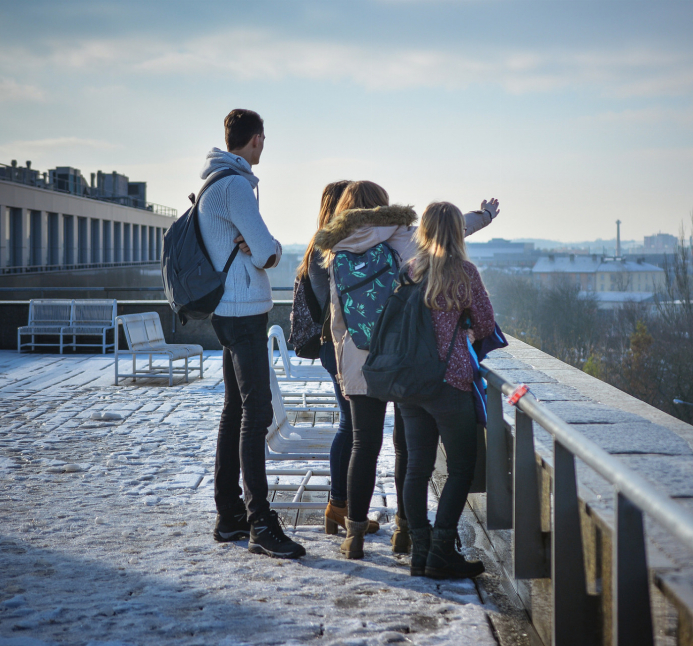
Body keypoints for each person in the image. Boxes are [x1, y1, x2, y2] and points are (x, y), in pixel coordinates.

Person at [313, 181, 499, 559]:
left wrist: (343, 369)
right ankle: (404, 532)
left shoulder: (337, 247)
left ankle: (354, 537)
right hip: (401, 357)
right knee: (405, 448)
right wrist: (485, 215)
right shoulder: (399, 236)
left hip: (356, 355)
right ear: (381, 206)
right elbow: (448, 229)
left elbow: (336, 318)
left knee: (363, 445)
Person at [202, 109, 305, 559]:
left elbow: (249, 246)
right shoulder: (236, 186)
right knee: (256, 412)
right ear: (256, 140)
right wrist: (272, 247)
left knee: (234, 409)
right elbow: (266, 251)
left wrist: (253, 245)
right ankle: (259, 522)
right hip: (243, 313)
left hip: (225, 310)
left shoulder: (212, 183)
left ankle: (229, 517)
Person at [398, 202, 494, 579]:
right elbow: (485, 322)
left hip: (411, 383)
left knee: (416, 469)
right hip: (451, 383)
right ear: (456, 231)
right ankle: (441, 550)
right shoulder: (463, 272)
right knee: (461, 469)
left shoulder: (409, 270)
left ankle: (419, 554)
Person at [293, 180, 394, 543]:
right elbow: (336, 306)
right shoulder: (330, 248)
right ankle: (340, 504)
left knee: (350, 427)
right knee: (352, 429)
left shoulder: (324, 246)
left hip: (334, 345)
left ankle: (344, 506)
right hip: (338, 345)